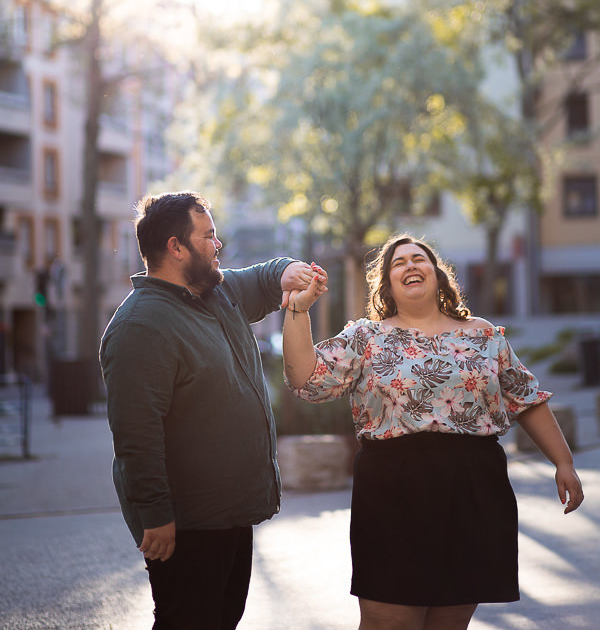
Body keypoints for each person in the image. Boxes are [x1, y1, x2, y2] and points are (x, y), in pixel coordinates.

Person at [283, 235, 584, 630]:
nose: (410, 265)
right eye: (398, 263)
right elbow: (307, 379)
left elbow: (526, 397)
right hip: (392, 488)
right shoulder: (365, 338)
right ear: (386, 285)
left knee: (450, 619)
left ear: (438, 275)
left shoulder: (483, 335)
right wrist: (298, 312)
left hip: (474, 487)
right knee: (386, 618)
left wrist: (564, 462)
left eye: (419, 258)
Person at [100, 190, 323, 630]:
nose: (217, 245)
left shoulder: (214, 291)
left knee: (222, 620)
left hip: (231, 515)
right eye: (208, 236)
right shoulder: (139, 326)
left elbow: (263, 277)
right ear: (175, 247)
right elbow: (136, 436)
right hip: (187, 525)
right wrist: (156, 516)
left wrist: (289, 270)